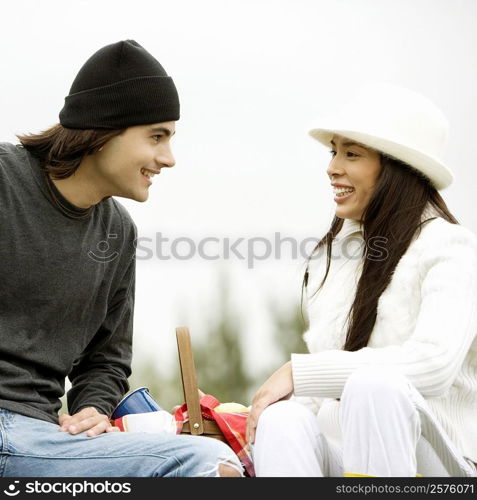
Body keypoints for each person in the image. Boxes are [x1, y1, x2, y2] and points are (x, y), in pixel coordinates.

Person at [0, 39, 243, 477]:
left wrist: (92, 408)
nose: (168, 158)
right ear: (103, 130)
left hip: (39, 436)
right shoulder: (3, 180)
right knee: (200, 465)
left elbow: (106, 359)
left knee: (218, 465)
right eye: (156, 136)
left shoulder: (117, 232)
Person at [246, 82, 477, 477]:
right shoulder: (335, 256)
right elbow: (317, 406)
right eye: (334, 151)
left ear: (399, 170)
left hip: (441, 463)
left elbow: (435, 365)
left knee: (375, 388)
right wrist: (253, 426)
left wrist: (298, 372)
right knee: (283, 420)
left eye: (351, 153)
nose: (333, 166)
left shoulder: (451, 247)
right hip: (351, 460)